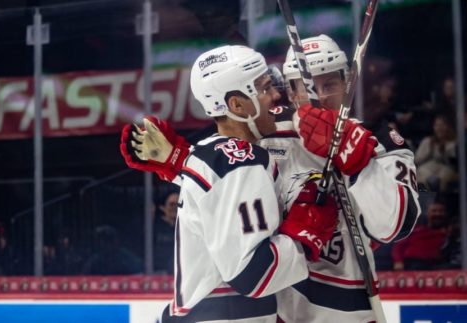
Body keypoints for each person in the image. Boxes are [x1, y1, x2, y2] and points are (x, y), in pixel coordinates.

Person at [121, 35, 422, 322]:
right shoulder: (265, 132)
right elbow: (227, 195)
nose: (317, 96)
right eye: (305, 86)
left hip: (343, 311)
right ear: (290, 91)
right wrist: (181, 162)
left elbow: (395, 227)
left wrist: (358, 162)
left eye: (329, 83)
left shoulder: (379, 140)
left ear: (348, 82)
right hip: (277, 308)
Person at [121, 45, 338, 322]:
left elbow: (217, 207)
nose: (275, 96)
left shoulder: (209, 153)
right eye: (264, 88)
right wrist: (302, 237)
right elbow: (253, 276)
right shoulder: (244, 161)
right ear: (237, 105)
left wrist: (176, 159)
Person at [391, 200, 449, 270]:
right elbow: (398, 247)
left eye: (441, 211)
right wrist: (398, 261)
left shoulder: (450, 234)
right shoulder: (415, 231)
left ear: (445, 213)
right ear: (427, 213)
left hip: (436, 267)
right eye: (434, 211)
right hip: (412, 266)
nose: (438, 214)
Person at [414, 114, 458, 192]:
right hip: (426, 169)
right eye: (437, 125)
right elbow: (416, 161)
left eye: (442, 125)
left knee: (444, 175)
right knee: (423, 172)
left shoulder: (454, 143)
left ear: (448, 127)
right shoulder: (427, 141)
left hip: (446, 171)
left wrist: (444, 152)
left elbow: (455, 164)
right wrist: (429, 152)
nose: (439, 128)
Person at [153, 190, 179, 274]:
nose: (175, 207)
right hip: (158, 273)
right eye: (172, 204)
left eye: (178, 204)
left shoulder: (188, 228)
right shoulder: (153, 228)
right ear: (163, 207)